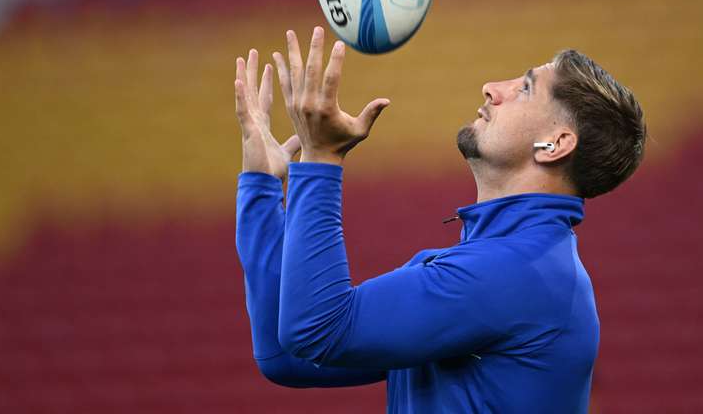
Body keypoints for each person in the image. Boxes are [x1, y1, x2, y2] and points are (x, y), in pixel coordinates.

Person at [234, 26, 646, 413]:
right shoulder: (500, 267)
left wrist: (322, 157)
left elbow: (315, 330)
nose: (492, 88)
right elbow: (285, 355)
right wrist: (262, 189)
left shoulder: (516, 274)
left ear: (554, 144)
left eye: (524, 88)